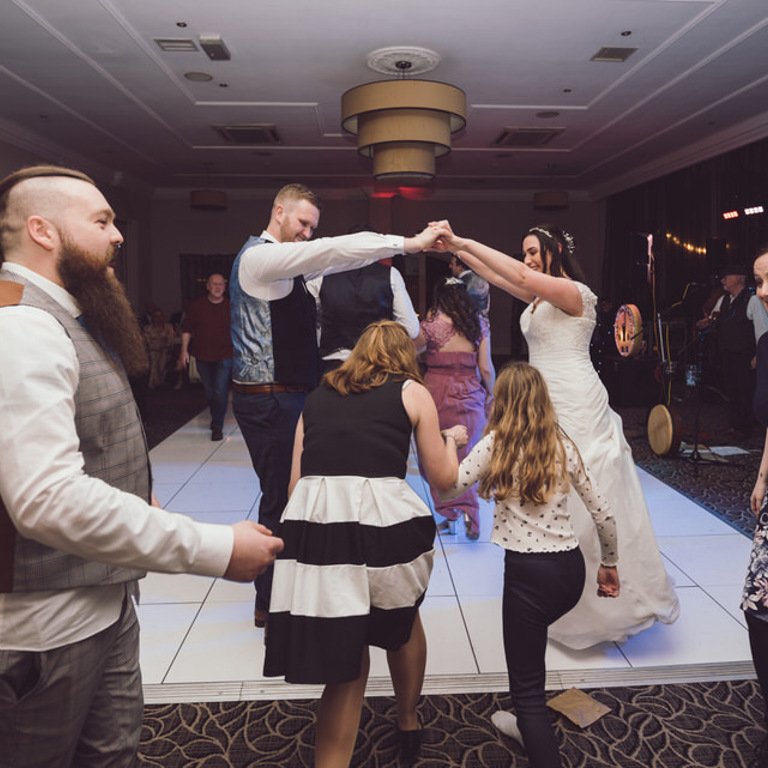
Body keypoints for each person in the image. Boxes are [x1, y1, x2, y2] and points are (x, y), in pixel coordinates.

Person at [0, 165, 283, 767]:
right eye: (101, 222)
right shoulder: (22, 327)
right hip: (47, 630)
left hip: (102, 602)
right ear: (42, 231)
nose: (118, 235)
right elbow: (45, 500)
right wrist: (214, 548)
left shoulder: (66, 318)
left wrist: (132, 495)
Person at [429, 219, 679, 649]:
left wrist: (464, 239)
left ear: (556, 251)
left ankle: (602, 601)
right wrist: (457, 251)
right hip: (542, 400)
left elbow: (522, 277)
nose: (526, 260)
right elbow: (500, 276)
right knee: (548, 494)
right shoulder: (538, 296)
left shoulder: (576, 294)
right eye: (523, 251)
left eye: (533, 251)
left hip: (575, 398)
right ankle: (554, 596)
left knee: (589, 492)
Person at [229, 183, 443, 628]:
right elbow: (333, 251)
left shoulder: (289, 265)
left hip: (291, 393)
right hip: (270, 399)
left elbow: (336, 261)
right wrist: (409, 245)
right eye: (303, 223)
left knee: (296, 494)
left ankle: (290, 591)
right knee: (280, 499)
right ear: (279, 211)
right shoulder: (259, 258)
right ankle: (271, 601)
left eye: (313, 227)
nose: (307, 233)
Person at [263, 321, 467, 768]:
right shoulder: (411, 391)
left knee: (347, 657)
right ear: (403, 359)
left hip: (317, 531)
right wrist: (452, 440)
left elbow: (297, 483)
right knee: (404, 620)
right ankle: (408, 720)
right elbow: (446, 482)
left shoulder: (316, 398)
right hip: (382, 528)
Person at [441, 362, 619, 768]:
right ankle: (523, 721)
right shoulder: (562, 443)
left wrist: (451, 440)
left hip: (527, 577)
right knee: (531, 650)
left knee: (528, 689)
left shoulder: (495, 443)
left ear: (501, 401)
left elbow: (449, 484)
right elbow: (604, 515)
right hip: (570, 574)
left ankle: (529, 724)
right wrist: (609, 563)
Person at [416, 276, 495, 539]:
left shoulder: (429, 327)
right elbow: (485, 367)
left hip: (436, 395)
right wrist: (492, 394)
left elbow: (409, 352)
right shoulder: (479, 325)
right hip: (470, 393)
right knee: (468, 456)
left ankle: (449, 513)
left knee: (435, 455)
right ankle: (468, 513)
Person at [742, 246, 768, 767]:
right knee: (758, 610)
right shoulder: (767, 344)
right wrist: (763, 475)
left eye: (767, 281)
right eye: (757, 281)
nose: (761, 292)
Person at [307, 255, 419, 375]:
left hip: (335, 366)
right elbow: (411, 329)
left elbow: (306, 325)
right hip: (376, 365)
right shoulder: (390, 274)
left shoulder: (321, 274)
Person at [697, 265, 757, 438]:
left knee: (745, 390)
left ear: (739, 278)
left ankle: (745, 428)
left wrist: (759, 355)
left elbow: (762, 327)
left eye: (726, 277)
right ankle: (734, 424)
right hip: (728, 351)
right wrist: (704, 322)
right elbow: (713, 318)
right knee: (731, 388)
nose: (722, 280)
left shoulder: (751, 300)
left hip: (746, 353)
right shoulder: (723, 299)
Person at [178, 273, 234, 441]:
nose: (217, 287)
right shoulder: (197, 306)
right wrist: (183, 351)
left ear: (225, 288)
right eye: (214, 284)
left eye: (221, 284)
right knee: (210, 392)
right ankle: (216, 416)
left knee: (220, 391)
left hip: (225, 355)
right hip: (202, 355)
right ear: (208, 286)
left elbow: (240, 331)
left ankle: (217, 426)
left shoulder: (231, 306)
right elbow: (187, 330)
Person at [449, 251, 490, 319]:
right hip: (483, 324)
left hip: (467, 324)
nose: (449, 266)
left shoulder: (460, 283)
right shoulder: (482, 280)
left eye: (452, 264)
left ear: (460, 267)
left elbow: (461, 309)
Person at [143, 306, 174, 388]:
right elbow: (147, 343)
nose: (158, 318)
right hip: (152, 351)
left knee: (164, 356)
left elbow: (170, 342)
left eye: (160, 316)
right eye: (156, 316)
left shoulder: (168, 328)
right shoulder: (148, 329)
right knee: (154, 357)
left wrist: (164, 348)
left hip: (165, 352)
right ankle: (154, 382)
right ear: (153, 317)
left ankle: (162, 380)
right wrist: (159, 346)